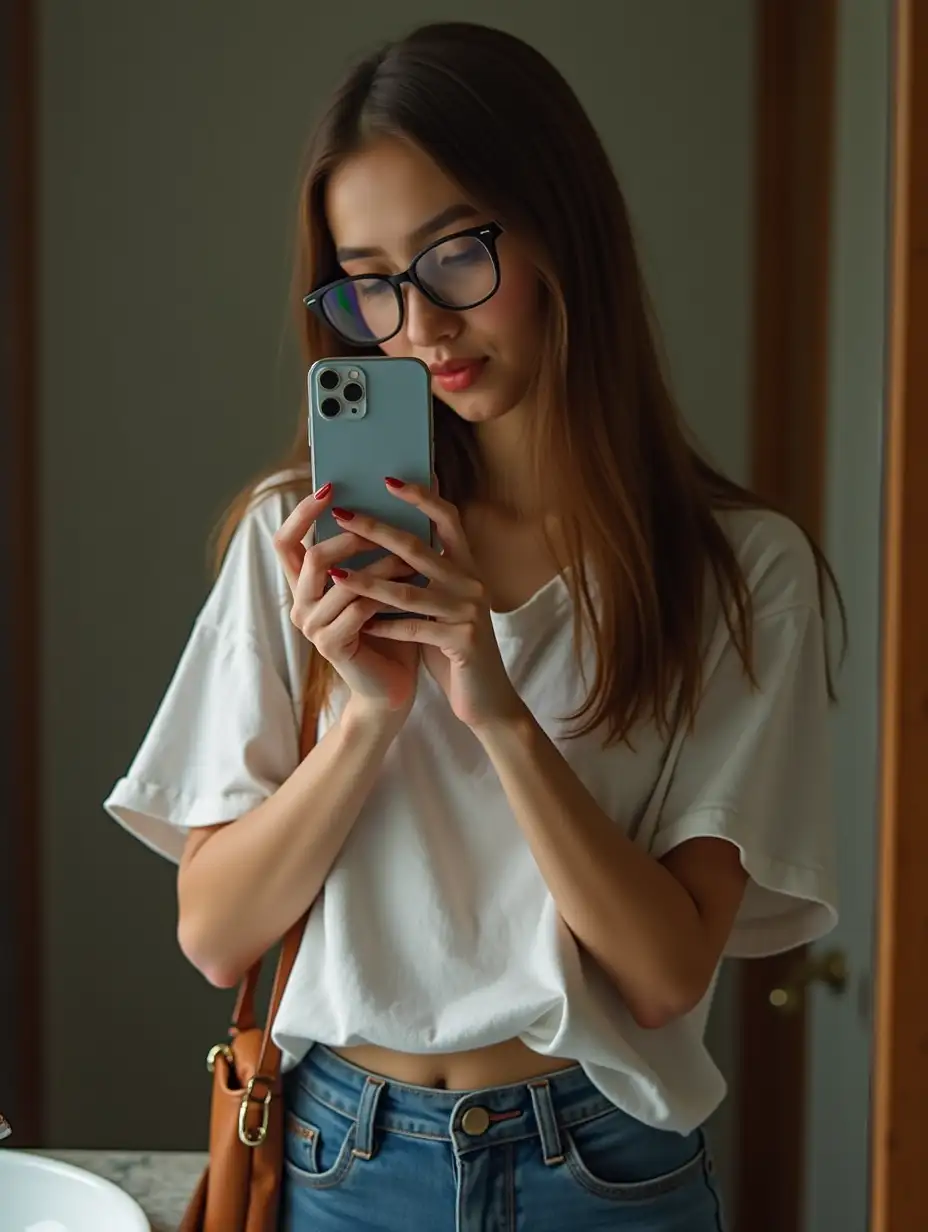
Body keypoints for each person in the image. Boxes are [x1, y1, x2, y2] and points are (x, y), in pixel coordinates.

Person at [104, 20, 842, 1231]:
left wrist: (493, 706)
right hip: (342, 1158)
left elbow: (663, 976)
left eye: (453, 255)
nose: (420, 326)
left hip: (604, 1170)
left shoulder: (736, 572)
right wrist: (365, 722)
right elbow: (214, 930)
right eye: (372, 282)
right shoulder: (297, 539)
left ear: (561, 224)